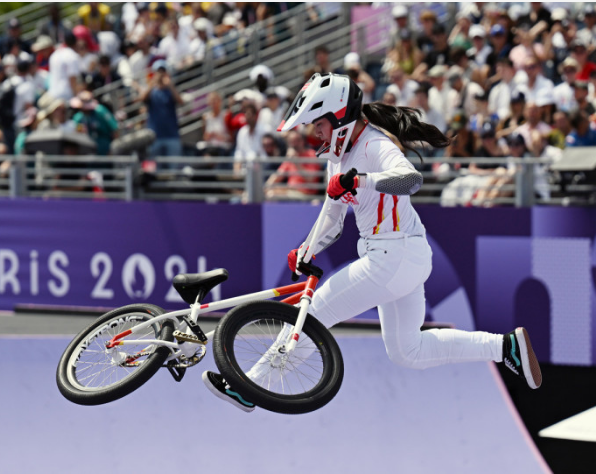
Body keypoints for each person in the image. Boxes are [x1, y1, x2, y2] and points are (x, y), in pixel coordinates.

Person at [202, 73, 542, 412]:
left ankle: (249, 387)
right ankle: (505, 347)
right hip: (403, 258)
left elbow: (411, 180)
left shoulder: (375, 145)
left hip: (392, 255)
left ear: (338, 117)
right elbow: (331, 219)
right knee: (408, 352)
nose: (313, 133)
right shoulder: (337, 157)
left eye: (317, 124)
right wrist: (306, 250)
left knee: (314, 312)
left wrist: (361, 181)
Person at [141, 60, 184, 162]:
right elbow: (143, 99)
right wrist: (152, 83)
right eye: (158, 71)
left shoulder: (170, 90)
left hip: (172, 136)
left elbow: (181, 102)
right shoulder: (152, 91)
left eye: (162, 71)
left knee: (174, 170)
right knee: (152, 171)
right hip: (154, 137)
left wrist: (170, 85)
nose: (160, 74)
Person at [264, 129, 320, 199]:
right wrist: (265, 188)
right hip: (290, 191)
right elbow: (277, 176)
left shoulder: (311, 154)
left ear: (303, 141)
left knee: (272, 195)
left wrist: (296, 162)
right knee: (268, 192)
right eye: (291, 141)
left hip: (306, 194)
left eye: (297, 140)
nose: (294, 144)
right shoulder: (290, 157)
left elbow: (310, 179)